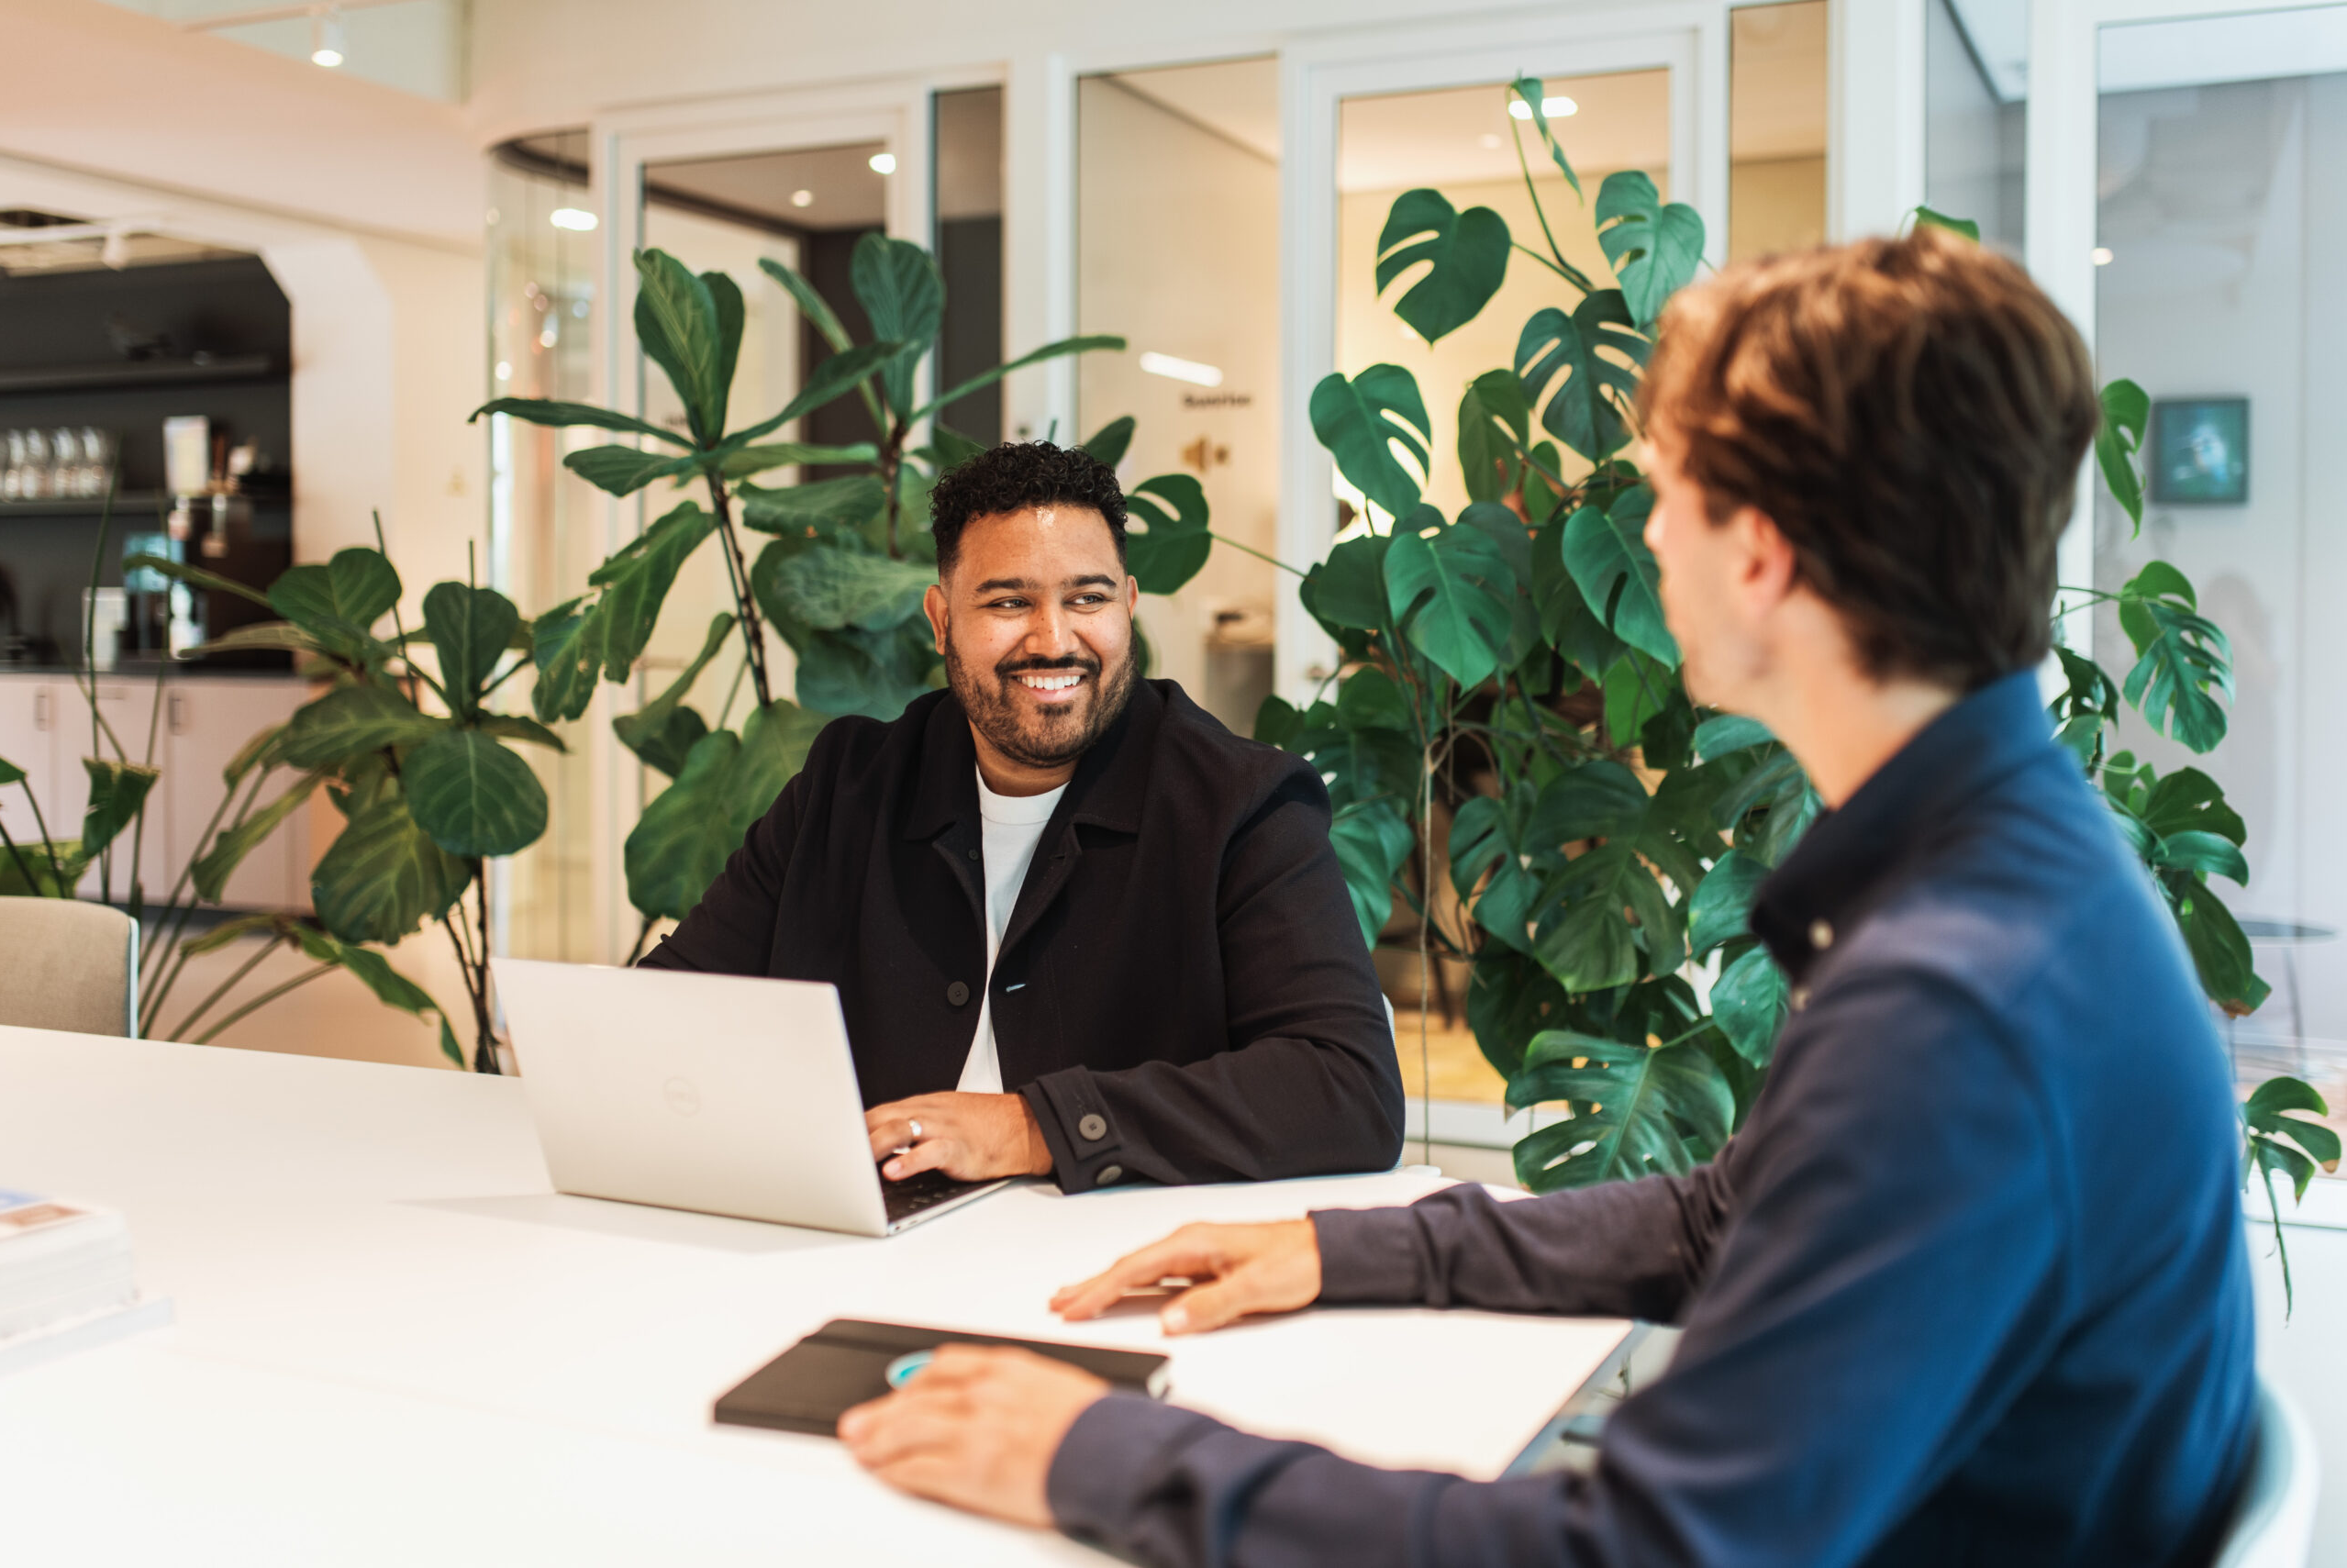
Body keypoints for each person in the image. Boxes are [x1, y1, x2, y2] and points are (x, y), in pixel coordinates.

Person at [831, 231, 2259, 1565]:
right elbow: (1722, 1220)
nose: (1645, 546)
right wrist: (1337, 1246)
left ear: (1760, 555)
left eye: (1671, 492)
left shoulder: (1957, 999)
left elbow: (1639, 1550)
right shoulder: (2011, 873)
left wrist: (1102, 1453)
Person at [637, 440, 1404, 1195]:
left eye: (1088, 598)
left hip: (1114, 1260)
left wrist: (1033, 1126)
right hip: (861, 1242)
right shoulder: (846, 787)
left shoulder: (1242, 804)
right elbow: (666, 1010)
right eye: (1009, 601)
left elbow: (1349, 1086)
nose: (1054, 639)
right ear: (941, 619)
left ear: (1128, 608)